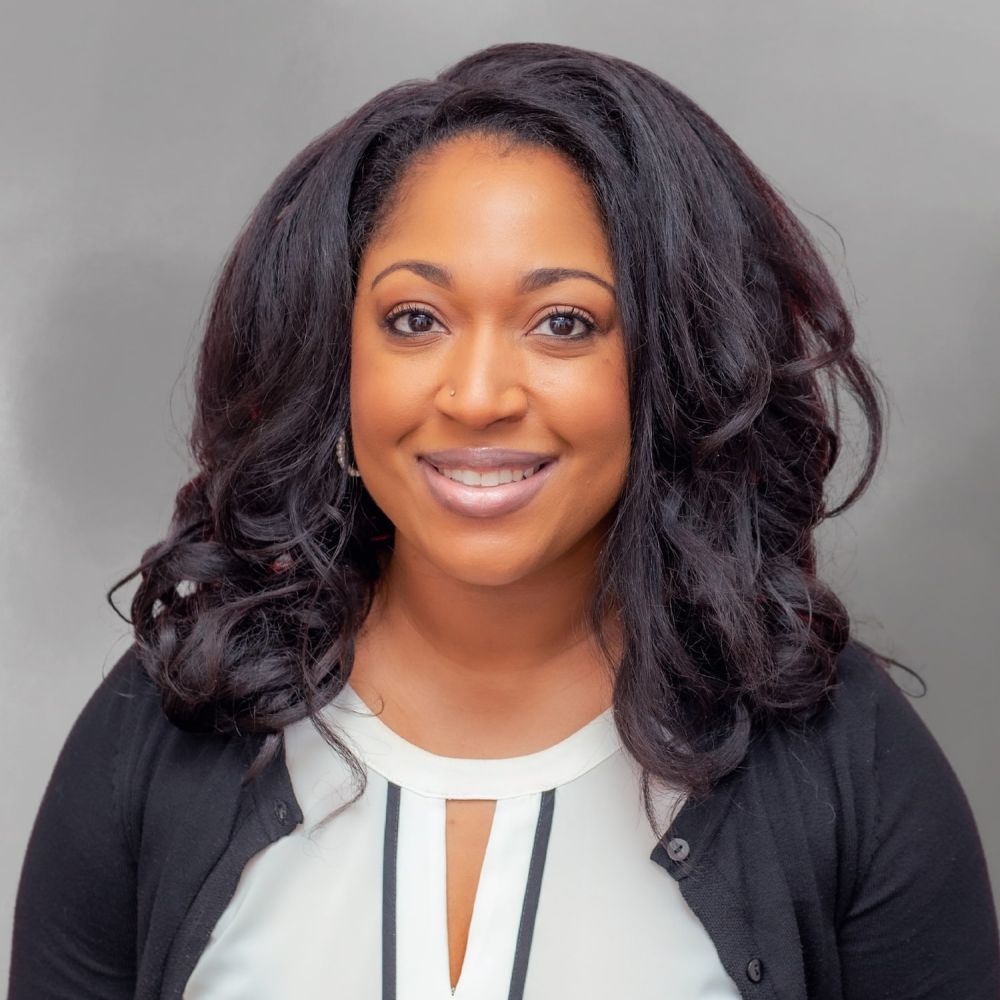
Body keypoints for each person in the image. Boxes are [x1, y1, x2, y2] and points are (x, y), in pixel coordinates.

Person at [8, 40, 999, 1000]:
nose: (477, 396)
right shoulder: (165, 723)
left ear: (671, 367)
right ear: (335, 360)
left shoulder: (843, 757)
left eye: (563, 323)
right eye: (413, 320)